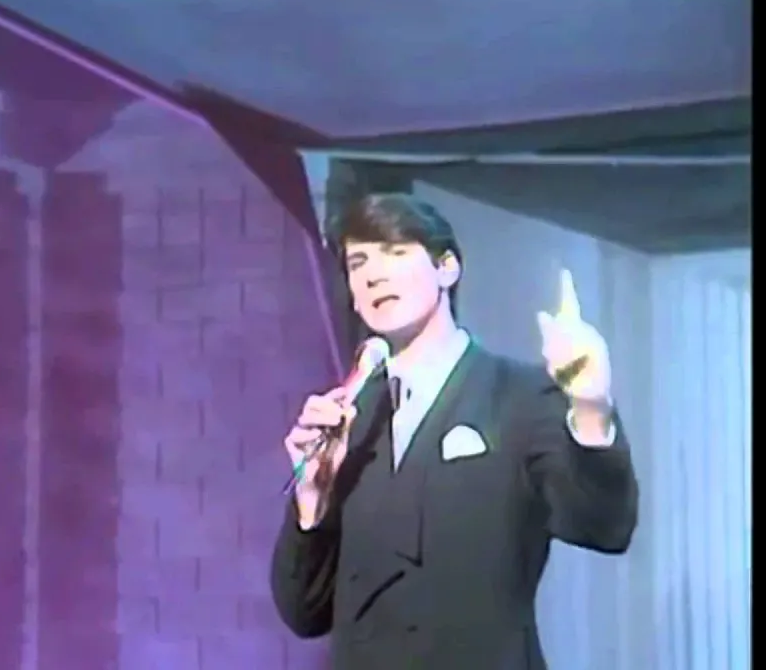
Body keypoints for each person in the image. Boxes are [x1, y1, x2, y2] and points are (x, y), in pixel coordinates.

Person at [269, 193, 639, 670]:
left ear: (446, 268)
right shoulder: (349, 424)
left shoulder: (517, 396)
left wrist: (590, 406)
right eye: (359, 263)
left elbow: (605, 525)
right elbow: (304, 611)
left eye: (394, 252)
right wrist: (312, 503)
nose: (373, 274)